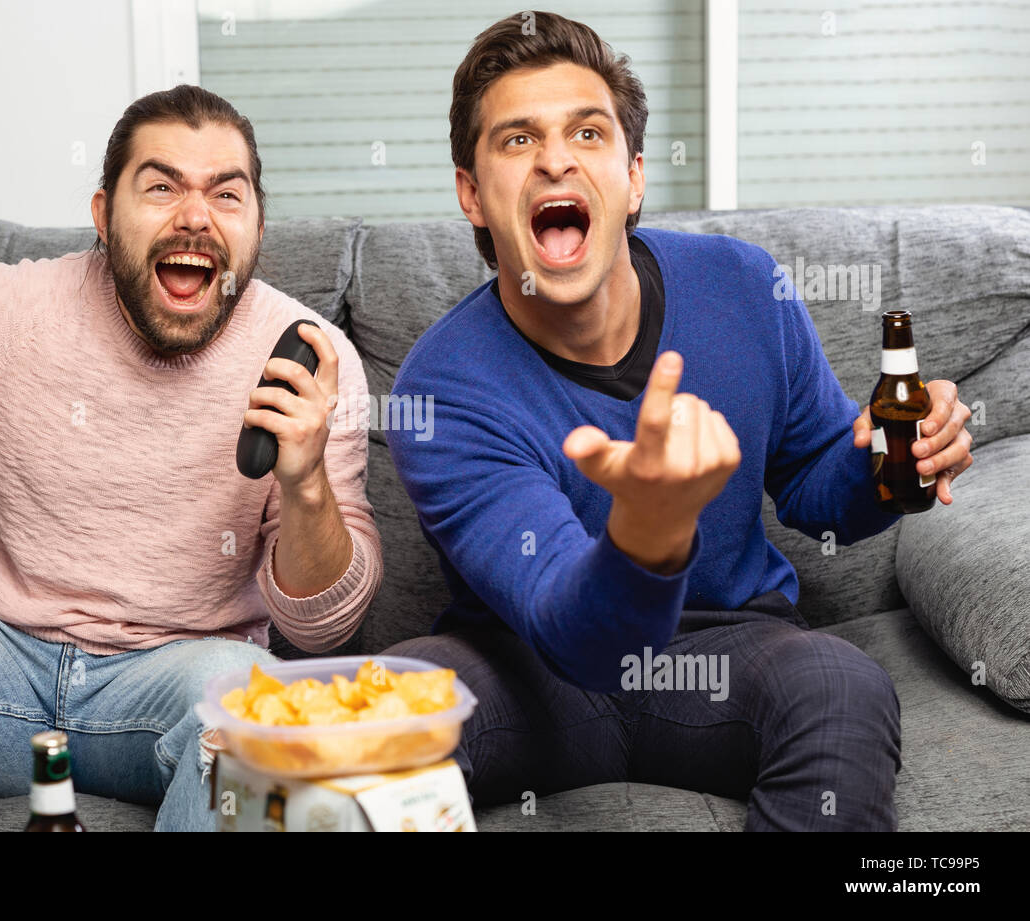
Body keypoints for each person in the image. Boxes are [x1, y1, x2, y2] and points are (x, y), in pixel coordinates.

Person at [384, 12, 974, 830]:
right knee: (385, 707)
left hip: (725, 652)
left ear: (632, 177)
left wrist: (893, 458)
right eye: (517, 141)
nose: (556, 157)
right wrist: (647, 532)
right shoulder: (443, 387)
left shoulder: (742, 285)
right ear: (472, 194)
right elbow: (573, 626)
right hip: (535, 670)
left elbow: (814, 482)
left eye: (587, 132)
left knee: (841, 681)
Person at [0, 86, 382, 832]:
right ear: (102, 214)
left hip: (179, 683)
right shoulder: (9, 309)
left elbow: (327, 629)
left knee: (260, 705)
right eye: (161, 187)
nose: (196, 215)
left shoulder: (312, 356)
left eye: (228, 192)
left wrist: (307, 483)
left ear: (256, 222)